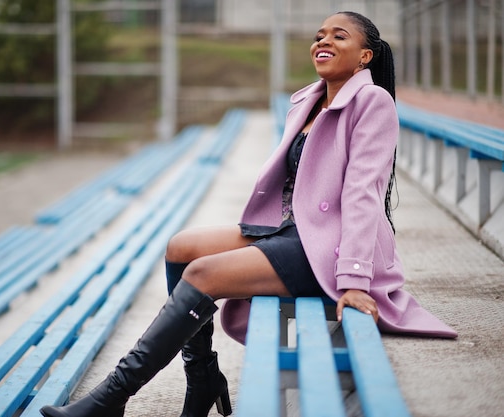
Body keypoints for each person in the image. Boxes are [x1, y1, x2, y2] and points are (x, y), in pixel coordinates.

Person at [40, 11, 457, 417]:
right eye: (319, 35)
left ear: (366, 56)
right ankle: (202, 378)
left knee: (202, 275)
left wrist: (354, 280)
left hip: (329, 247)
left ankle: (112, 397)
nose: (323, 41)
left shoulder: (372, 101)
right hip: (293, 228)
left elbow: (365, 194)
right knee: (181, 247)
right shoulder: (307, 101)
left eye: (339, 36)